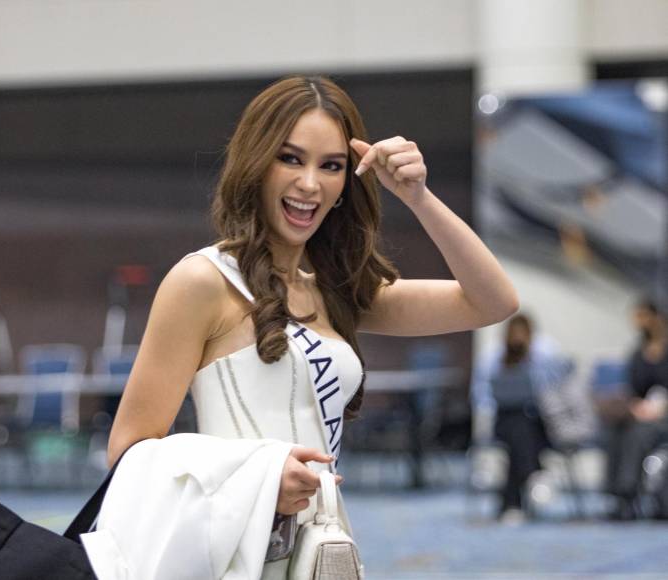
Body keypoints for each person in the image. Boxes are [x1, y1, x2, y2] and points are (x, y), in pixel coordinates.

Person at [106, 75, 519, 577]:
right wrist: (259, 478)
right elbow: (128, 453)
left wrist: (417, 196)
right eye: (290, 158)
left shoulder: (336, 292)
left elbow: (493, 301)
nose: (309, 184)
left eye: (332, 167)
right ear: (255, 163)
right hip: (234, 554)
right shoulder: (203, 281)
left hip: (321, 549)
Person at [471, 313, 578, 522]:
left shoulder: (545, 351)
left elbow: (559, 383)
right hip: (504, 418)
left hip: (542, 420)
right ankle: (535, 475)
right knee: (518, 427)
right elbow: (480, 392)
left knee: (522, 432)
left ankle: (512, 503)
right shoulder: (493, 355)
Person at [603, 299, 668, 520]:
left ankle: (627, 492)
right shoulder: (637, 353)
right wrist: (635, 406)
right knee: (615, 429)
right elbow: (632, 388)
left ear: (656, 317)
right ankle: (617, 496)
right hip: (641, 414)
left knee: (638, 434)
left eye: (642, 317)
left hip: (663, 417)